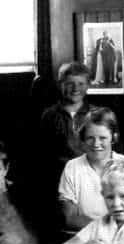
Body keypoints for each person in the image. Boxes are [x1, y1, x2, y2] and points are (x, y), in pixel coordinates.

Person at [58, 108, 124, 231]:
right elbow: (71, 217)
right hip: (87, 237)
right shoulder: (73, 168)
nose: (96, 143)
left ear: (114, 137)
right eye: (90, 138)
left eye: (103, 138)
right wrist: (107, 228)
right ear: (83, 138)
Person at [39, 62, 95, 190]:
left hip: (90, 179)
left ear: (88, 86)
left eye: (81, 84)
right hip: (59, 179)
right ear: (60, 85)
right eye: (70, 83)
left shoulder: (96, 114)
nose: (75, 88)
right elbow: (43, 153)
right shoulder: (50, 115)